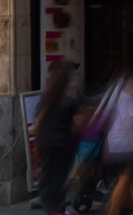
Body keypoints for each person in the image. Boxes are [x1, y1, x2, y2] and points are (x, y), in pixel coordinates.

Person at [37, 60, 82, 215]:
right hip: (63, 147)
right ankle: (57, 211)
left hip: (48, 146)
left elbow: (39, 121)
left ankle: (53, 210)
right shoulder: (70, 101)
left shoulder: (47, 98)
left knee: (50, 182)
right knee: (59, 183)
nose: (74, 81)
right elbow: (77, 126)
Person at [105, 73, 133, 215]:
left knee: (127, 179)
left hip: (116, 145)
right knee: (126, 177)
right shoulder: (128, 100)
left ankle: (125, 206)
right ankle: (113, 211)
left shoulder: (121, 96)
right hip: (123, 147)